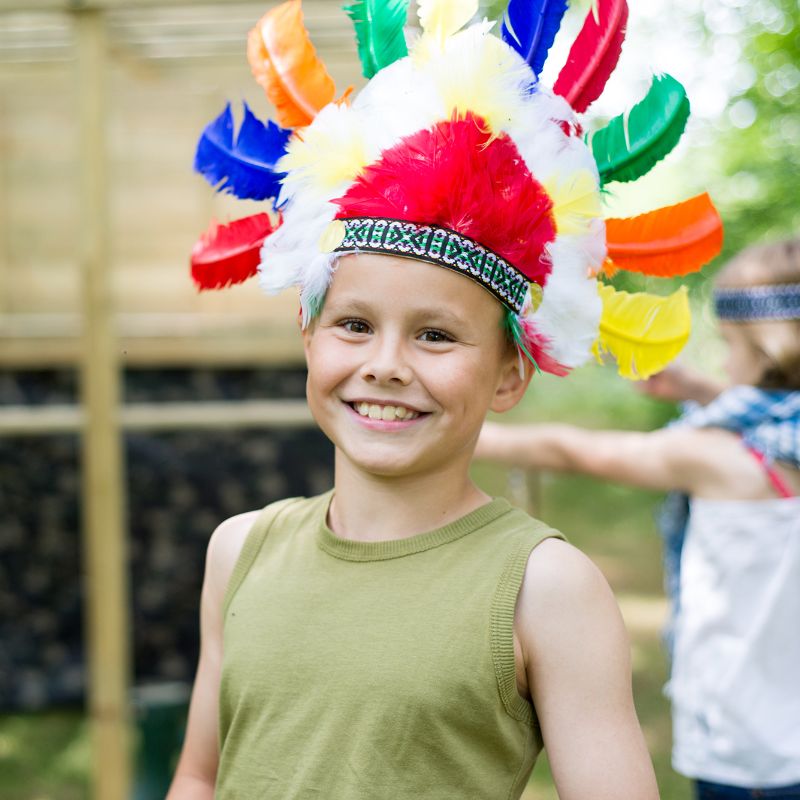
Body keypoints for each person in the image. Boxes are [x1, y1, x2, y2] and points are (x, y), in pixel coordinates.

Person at [166, 0, 720, 796]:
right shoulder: (239, 551)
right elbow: (198, 777)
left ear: (508, 373)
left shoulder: (545, 588)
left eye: (435, 336)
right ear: (308, 334)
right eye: (354, 324)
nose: (386, 365)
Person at [476, 239, 800, 799]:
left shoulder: (716, 457)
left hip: (750, 752)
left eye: (730, 347)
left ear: (769, 350)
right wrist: (701, 390)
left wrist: (462, 434)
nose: (722, 363)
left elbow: (573, 452)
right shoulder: (775, 443)